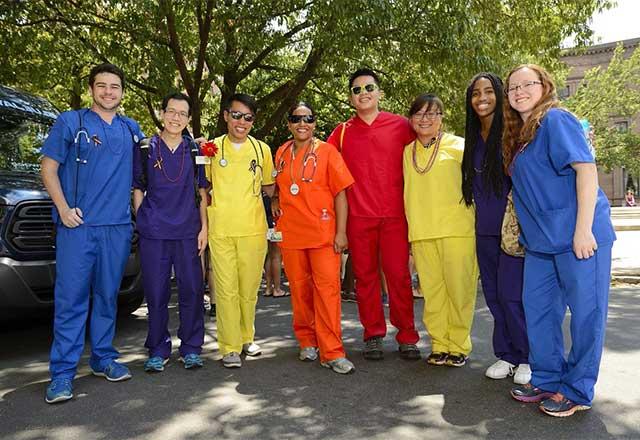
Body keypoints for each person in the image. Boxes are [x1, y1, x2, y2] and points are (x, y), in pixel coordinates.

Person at [503, 64, 616, 417]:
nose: (519, 91)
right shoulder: (520, 135)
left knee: (586, 314)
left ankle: (577, 389)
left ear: (545, 86)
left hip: (579, 237)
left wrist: (583, 230)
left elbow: (586, 169)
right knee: (537, 311)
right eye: (513, 87)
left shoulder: (555, 120)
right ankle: (548, 377)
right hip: (540, 243)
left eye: (527, 84)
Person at [40, 63, 143, 403]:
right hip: (79, 229)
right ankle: (62, 374)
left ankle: (103, 358)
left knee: (107, 296)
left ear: (123, 92)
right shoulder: (71, 122)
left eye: (115, 86)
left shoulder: (131, 129)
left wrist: (192, 144)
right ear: (91, 89)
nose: (109, 92)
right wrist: (64, 209)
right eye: (102, 86)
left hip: (116, 228)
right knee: (71, 301)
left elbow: (157, 157)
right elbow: (48, 168)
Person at [326, 68, 420, 361]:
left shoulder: (402, 126)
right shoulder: (341, 133)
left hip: (395, 216)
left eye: (369, 87)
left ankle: (407, 336)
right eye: (356, 90)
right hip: (358, 218)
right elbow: (323, 167)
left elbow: (426, 155)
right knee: (365, 279)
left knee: (399, 277)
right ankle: (373, 335)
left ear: (379, 92)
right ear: (351, 98)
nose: (363, 93)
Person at [272, 102, 356, 374]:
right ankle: (307, 340)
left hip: (323, 235)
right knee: (299, 290)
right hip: (292, 234)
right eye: (296, 119)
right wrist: (274, 199)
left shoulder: (328, 152)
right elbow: (278, 186)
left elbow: (341, 193)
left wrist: (342, 232)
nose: (302, 124)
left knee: (328, 292)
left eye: (307, 119)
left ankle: (332, 351)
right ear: (289, 124)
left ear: (314, 123)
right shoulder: (281, 153)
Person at [461, 73, 530, 383]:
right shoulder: (473, 137)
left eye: (489, 91)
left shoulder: (512, 132)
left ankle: (528, 357)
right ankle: (506, 354)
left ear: (500, 95)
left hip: (512, 231)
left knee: (513, 295)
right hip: (484, 230)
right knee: (493, 295)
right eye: (476, 93)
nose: (482, 98)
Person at [132, 92, 209, 372]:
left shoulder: (194, 151)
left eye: (182, 114)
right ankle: (158, 348)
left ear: (188, 119)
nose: (176, 118)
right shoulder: (145, 148)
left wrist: (205, 228)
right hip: (154, 231)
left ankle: (191, 347)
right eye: (171, 111)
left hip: (188, 230)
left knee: (192, 290)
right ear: (162, 114)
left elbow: (202, 192)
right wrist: (142, 218)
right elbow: (138, 186)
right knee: (156, 292)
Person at [403, 93, 479, 368]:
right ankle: (439, 344)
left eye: (432, 113)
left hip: (458, 229)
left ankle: (459, 345)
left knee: (459, 290)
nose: (425, 119)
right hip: (422, 231)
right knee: (432, 293)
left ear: (441, 118)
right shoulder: (406, 151)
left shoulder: (460, 146)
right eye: (419, 114)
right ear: (411, 119)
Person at [205, 93, 275, 368]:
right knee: (225, 290)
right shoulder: (210, 148)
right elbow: (202, 188)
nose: (241, 122)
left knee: (249, 289)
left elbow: (269, 188)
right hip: (220, 230)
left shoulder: (262, 150)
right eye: (236, 115)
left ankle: (247, 337)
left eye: (247, 118)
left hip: (253, 230)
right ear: (225, 116)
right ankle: (230, 346)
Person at [263, 191, 287, 298]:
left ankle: (268, 287)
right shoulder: (273, 192)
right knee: (276, 255)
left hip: (264, 221)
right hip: (274, 221)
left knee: (269, 254)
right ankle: (277, 288)